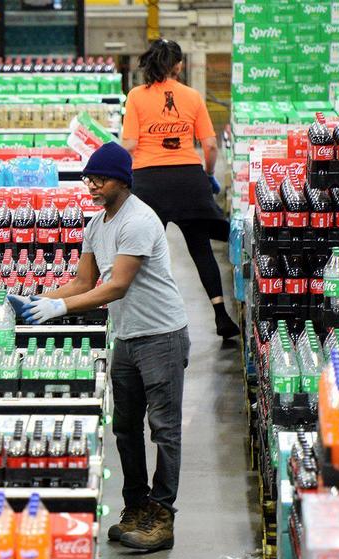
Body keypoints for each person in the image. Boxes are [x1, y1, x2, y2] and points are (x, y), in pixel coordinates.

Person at [12, 142, 189, 551]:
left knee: (163, 429)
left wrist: (60, 307)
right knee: (124, 427)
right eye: (88, 179)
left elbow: (117, 285)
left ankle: (162, 516)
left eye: (100, 179)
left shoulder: (139, 221)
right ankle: (135, 505)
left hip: (160, 335)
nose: (92, 186)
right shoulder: (97, 225)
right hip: (127, 337)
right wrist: (39, 300)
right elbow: (82, 282)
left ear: (122, 181)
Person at [122, 38, 240, 341]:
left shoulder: (136, 96)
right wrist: (207, 174)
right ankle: (220, 314)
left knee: (146, 251)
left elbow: (130, 145)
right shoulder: (193, 96)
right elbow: (211, 146)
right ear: (179, 65)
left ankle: (150, 316)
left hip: (149, 182)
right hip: (189, 179)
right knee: (200, 248)